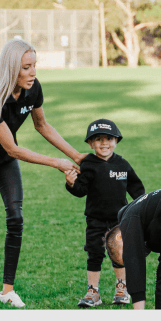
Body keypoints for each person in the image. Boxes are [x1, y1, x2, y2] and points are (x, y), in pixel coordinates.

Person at [0, 38, 84, 310]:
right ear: (11, 68)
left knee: (15, 218)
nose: (33, 72)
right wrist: (57, 163)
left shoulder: (32, 88)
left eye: (34, 65)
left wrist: (76, 156)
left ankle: (7, 291)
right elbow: (13, 149)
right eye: (26, 67)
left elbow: (42, 125)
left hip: (3, 156)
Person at [64, 119, 145, 308]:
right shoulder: (88, 164)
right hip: (95, 220)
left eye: (109, 138)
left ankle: (121, 288)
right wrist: (71, 183)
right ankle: (93, 291)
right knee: (94, 253)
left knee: (119, 253)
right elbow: (80, 190)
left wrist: (142, 207)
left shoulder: (122, 164)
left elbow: (136, 188)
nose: (104, 143)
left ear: (116, 141)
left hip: (119, 220)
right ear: (90, 143)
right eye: (98, 139)